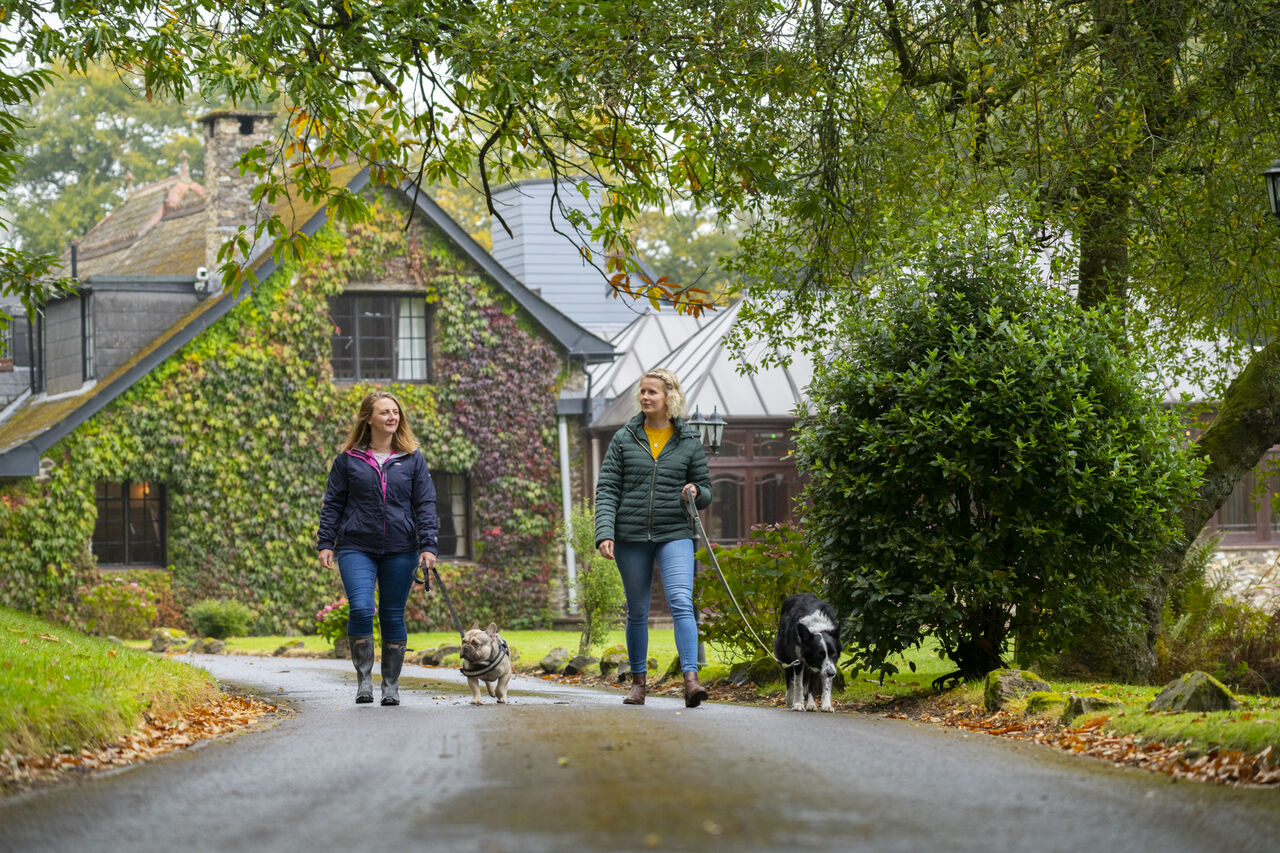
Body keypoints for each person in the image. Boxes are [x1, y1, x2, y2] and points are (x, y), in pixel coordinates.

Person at [595, 368, 713, 707]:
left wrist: (695, 491)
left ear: (669, 397)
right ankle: (638, 683)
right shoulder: (623, 438)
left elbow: (706, 490)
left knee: (680, 601)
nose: (645, 397)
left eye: (652, 392)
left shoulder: (689, 440)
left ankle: (691, 681)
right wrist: (605, 532)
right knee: (637, 609)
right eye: (642, 392)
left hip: (674, 531)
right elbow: (607, 489)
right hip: (630, 535)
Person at [317, 391, 438, 706]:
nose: (392, 417)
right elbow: (334, 502)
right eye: (385, 412)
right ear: (368, 418)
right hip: (356, 545)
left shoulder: (412, 458)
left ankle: (390, 685)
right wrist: (326, 542)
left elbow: (425, 504)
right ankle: (363, 682)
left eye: (395, 412)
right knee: (359, 607)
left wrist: (428, 546)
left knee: (392, 614)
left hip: (401, 548)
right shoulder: (348, 459)